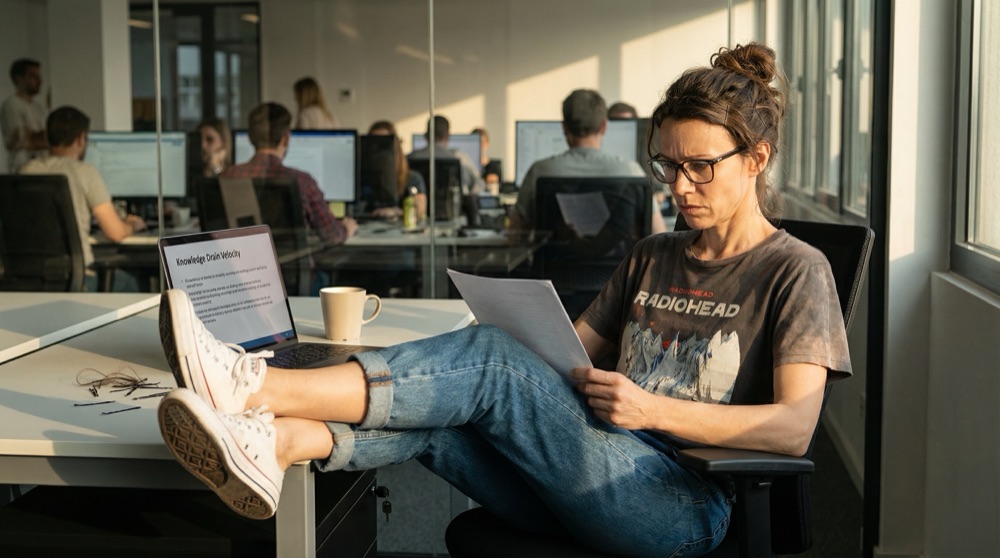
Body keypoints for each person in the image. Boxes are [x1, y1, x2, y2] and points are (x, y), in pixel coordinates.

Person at [154, 43, 852, 557]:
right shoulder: (652, 255)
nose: (679, 185)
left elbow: (793, 428)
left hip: (680, 506)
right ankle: (274, 443)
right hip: (592, 471)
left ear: (755, 158)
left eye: (700, 166)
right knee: (446, 416)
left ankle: (252, 387)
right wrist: (531, 349)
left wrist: (651, 408)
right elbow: (568, 355)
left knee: (487, 361)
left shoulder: (796, 270)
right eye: (667, 165)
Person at [19, 106, 146, 288]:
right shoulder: (85, 172)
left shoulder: (26, 170)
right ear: (80, 138)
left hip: (31, 279)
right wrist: (132, 224)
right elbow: (116, 233)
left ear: (47, 136)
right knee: (129, 283)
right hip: (77, 279)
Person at [510, 89, 666, 235]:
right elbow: (658, 234)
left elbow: (515, 234)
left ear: (564, 128)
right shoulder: (632, 172)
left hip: (554, 264)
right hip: (621, 264)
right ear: (604, 127)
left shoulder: (539, 171)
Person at [220, 102, 356, 246]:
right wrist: (346, 228)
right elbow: (332, 236)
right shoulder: (302, 181)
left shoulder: (225, 177)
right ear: (286, 138)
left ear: (250, 138)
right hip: (288, 267)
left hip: (242, 267)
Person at [408, 115, 485, 195]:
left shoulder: (411, 158)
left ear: (426, 135)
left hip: (419, 206)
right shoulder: (459, 158)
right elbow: (479, 185)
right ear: (447, 135)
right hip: (450, 206)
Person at [367, 119, 427, 221]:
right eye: (374, 144)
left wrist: (397, 212)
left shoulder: (412, 179)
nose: (379, 152)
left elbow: (420, 212)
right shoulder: (362, 180)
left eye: (384, 145)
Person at [1, 58, 48, 172]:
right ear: (19, 79)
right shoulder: (11, 105)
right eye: (33, 76)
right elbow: (24, 139)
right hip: (22, 171)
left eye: (39, 76)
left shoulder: (38, 107)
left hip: (40, 168)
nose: (39, 80)